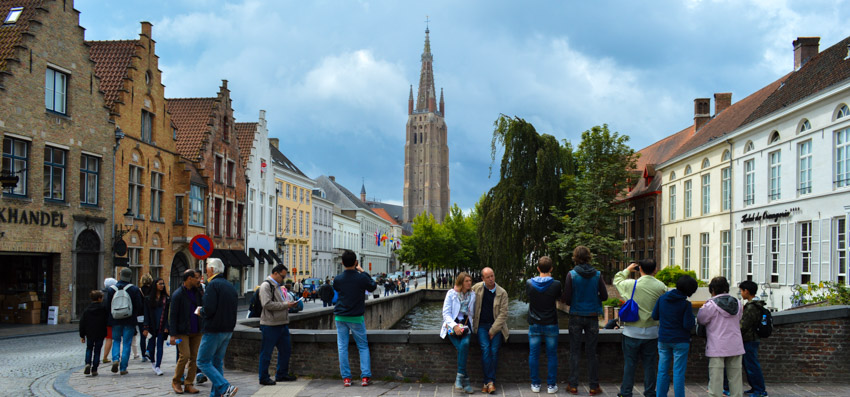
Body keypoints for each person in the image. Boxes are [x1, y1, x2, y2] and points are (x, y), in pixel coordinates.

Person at [613, 259, 667, 397]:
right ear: (655, 270)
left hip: (631, 331)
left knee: (630, 364)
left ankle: (626, 392)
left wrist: (628, 269)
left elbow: (617, 280)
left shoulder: (631, 284)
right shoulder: (661, 287)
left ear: (640, 269)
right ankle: (649, 392)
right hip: (652, 332)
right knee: (650, 365)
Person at [562, 246, 607, 395]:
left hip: (575, 316)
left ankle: (573, 385)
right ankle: (594, 386)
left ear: (575, 257)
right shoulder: (597, 275)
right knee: (591, 352)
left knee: (574, 351)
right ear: (589, 257)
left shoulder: (571, 275)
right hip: (592, 316)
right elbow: (605, 296)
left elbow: (567, 299)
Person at [333, 250, 377, 387]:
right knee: (363, 346)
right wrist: (363, 271)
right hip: (356, 317)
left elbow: (337, 289)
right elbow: (373, 286)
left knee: (342, 347)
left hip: (340, 316)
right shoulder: (361, 278)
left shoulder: (338, 279)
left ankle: (346, 378)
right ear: (356, 262)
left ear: (342, 263)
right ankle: (365, 376)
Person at [196, 257, 239, 397]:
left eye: (207, 266)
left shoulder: (213, 285)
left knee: (202, 361)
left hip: (213, 329)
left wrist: (200, 311)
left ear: (212, 269)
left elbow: (209, 309)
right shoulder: (229, 286)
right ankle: (216, 394)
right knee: (216, 362)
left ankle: (225, 387)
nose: (205, 269)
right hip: (227, 329)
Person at [697, 277, 744, 397]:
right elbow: (739, 318)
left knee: (716, 380)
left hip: (717, 345)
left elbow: (701, 319)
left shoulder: (710, 305)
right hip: (735, 344)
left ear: (712, 289)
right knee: (736, 379)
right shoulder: (738, 303)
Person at [652, 275, 698, 397]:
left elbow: (654, 316)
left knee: (662, 370)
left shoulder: (662, 299)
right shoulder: (685, 304)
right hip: (680, 341)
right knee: (678, 372)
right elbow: (687, 324)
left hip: (664, 339)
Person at [258, 264, 299, 385]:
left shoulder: (278, 286)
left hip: (282, 323)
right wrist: (286, 305)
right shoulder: (266, 286)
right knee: (266, 352)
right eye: (282, 276)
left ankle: (281, 374)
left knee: (286, 350)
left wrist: (289, 304)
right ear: (275, 273)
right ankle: (263, 377)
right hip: (270, 324)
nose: (283, 279)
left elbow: (279, 302)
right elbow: (267, 304)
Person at [527, 256, 562, 394]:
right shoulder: (556, 284)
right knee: (552, 355)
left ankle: (535, 384)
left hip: (535, 323)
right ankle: (551, 386)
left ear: (538, 268)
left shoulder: (529, 283)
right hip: (551, 323)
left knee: (533, 355)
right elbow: (559, 297)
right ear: (551, 269)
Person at [471, 267, 509, 394]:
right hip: (481, 325)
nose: (491, 279)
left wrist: (493, 330)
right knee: (486, 349)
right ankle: (490, 382)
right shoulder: (476, 289)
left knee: (494, 350)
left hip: (496, 326)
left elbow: (503, 314)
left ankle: (487, 382)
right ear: (482, 279)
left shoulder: (502, 292)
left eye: (492, 276)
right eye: (488, 277)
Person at [169, 269, 203, 394]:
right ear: (189, 278)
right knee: (185, 355)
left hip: (197, 329)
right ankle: (176, 381)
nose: (198, 280)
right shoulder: (178, 294)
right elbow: (172, 316)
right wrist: (173, 335)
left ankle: (189, 383)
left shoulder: (198, 292)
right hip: (182, 331)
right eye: (196, 278)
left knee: (195, 357)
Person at [105, 267, 144, 375]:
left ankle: (115, 359)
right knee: (127, 343)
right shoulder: (134, 289)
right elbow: (139, 305)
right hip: (129, 320)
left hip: (115, 319)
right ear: (130, 276)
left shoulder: (111, 289)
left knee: (116, 341)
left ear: (120, 275)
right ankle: (123, 368)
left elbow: (108, 306)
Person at [441, 272, 476, 394]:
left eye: (470, 281)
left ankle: (459, 379)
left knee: (464, 345)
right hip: (452, 326)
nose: (469, 283)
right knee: (461, 348)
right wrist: (454, 326)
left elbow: (473, 312)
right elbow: (446, 313)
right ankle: (465, 381)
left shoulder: (472, 295)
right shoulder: (451, 294)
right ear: (461, 282)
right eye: (466, 281)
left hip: (466, 326)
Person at [738, 281, 768, 397]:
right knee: (749, 364)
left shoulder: (751, 307)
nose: (741, 293)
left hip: (749, 339)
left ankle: (760, 390)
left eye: (741, 291)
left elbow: (744, 325)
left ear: (746, 291)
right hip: (752, 339)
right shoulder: (757, 305)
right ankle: (755, 388)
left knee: (752, 365)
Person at [143, 278, 170, 376]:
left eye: (163, 284)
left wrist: (167, 325)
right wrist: (145, 327)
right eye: (160, 284)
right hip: (151, 325)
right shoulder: (148, 298)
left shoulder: (166, 299)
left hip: (162, 324)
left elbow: (168, 313)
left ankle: (158, 365)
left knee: (160, 345)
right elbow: (146, 313)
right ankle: (153, 362)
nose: (162, 286)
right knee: (151, 345)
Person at [79, 290, 108, 377]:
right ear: (99, 299)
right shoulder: (103, 309)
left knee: (89, 348)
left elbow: (82, 323)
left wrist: (82, 335)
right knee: (97, 350)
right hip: (100, 332)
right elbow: (106, 321)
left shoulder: (87, 310)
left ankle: (88, 363)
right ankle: (95, 368)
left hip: (90, 333)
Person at [101, 277, 117, 364]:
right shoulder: (113, 294)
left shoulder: (101, 294)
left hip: (100, 320)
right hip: (109, 320)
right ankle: (105, 357)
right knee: (109, 338)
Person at [138, 273, 154, 361]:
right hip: (150, 315)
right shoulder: (152, 290)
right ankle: (148, 350)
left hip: (140, 316)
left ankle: (143, 355)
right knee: (152, 335)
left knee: (142, 336)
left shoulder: (139, 290)